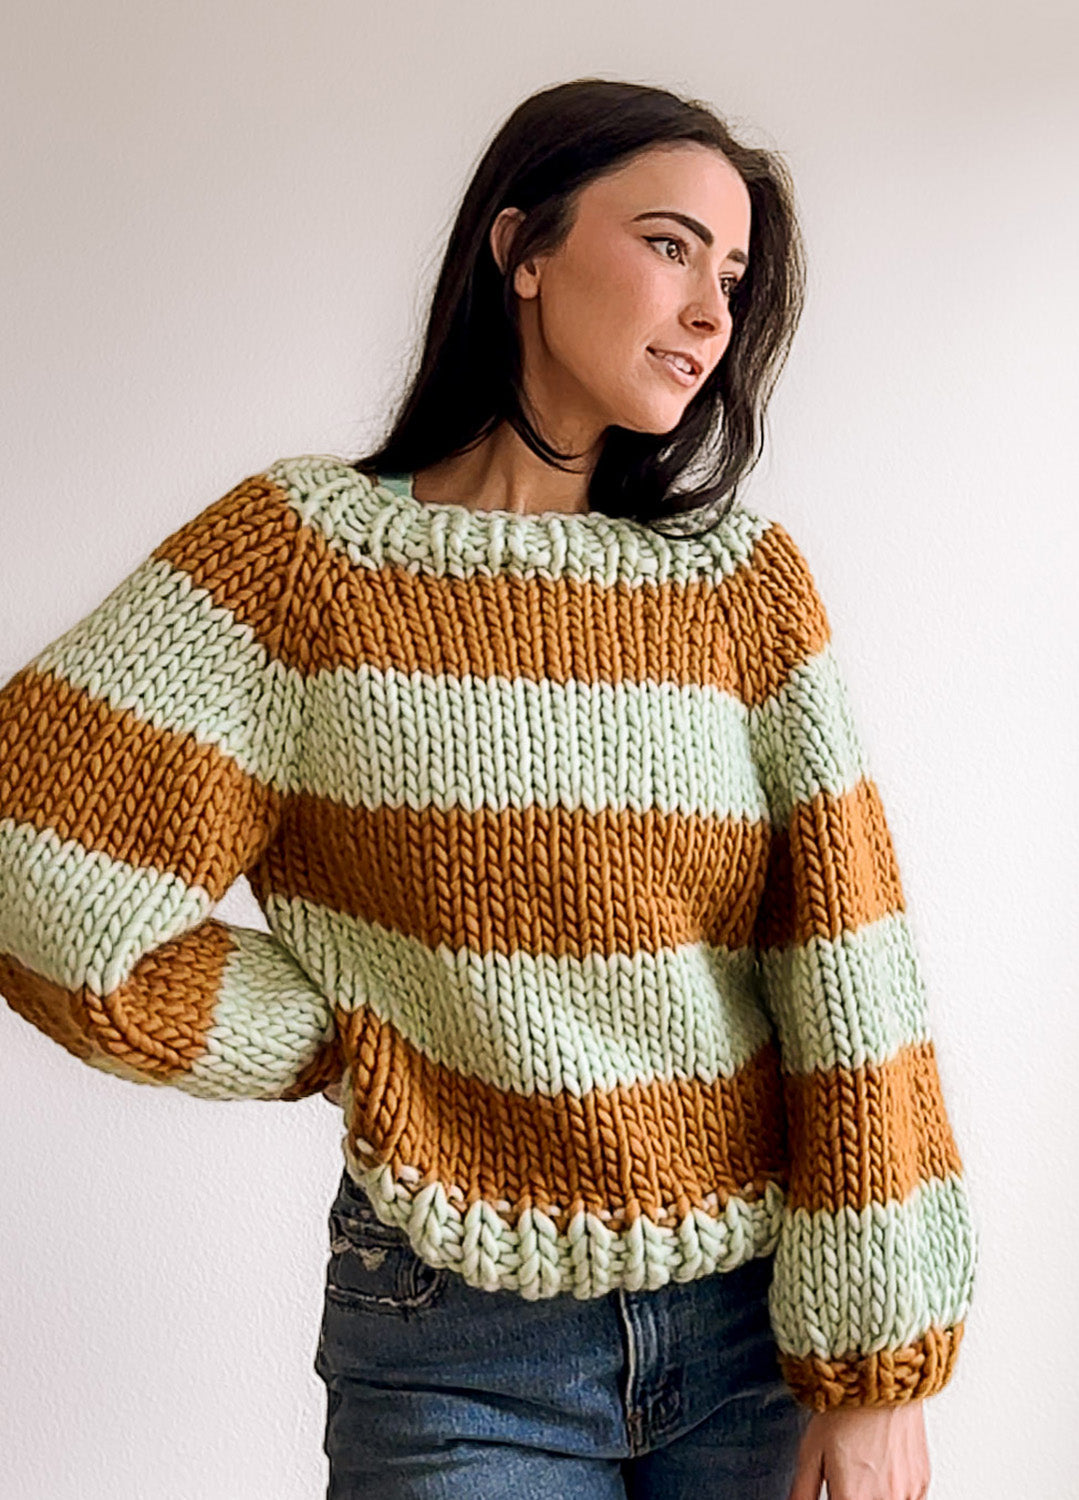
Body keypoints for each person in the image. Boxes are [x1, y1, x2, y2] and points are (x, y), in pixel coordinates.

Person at [0, 78, 977, 1499]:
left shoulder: (742, 589)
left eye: (731, 273)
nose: (709, 310)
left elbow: (851, 973)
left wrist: (880, 1365)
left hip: (751, 1340)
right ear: (522, 248)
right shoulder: (308, 562)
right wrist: (343, 1034)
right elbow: (36, 858)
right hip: (454, 1343)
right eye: (668, 244)